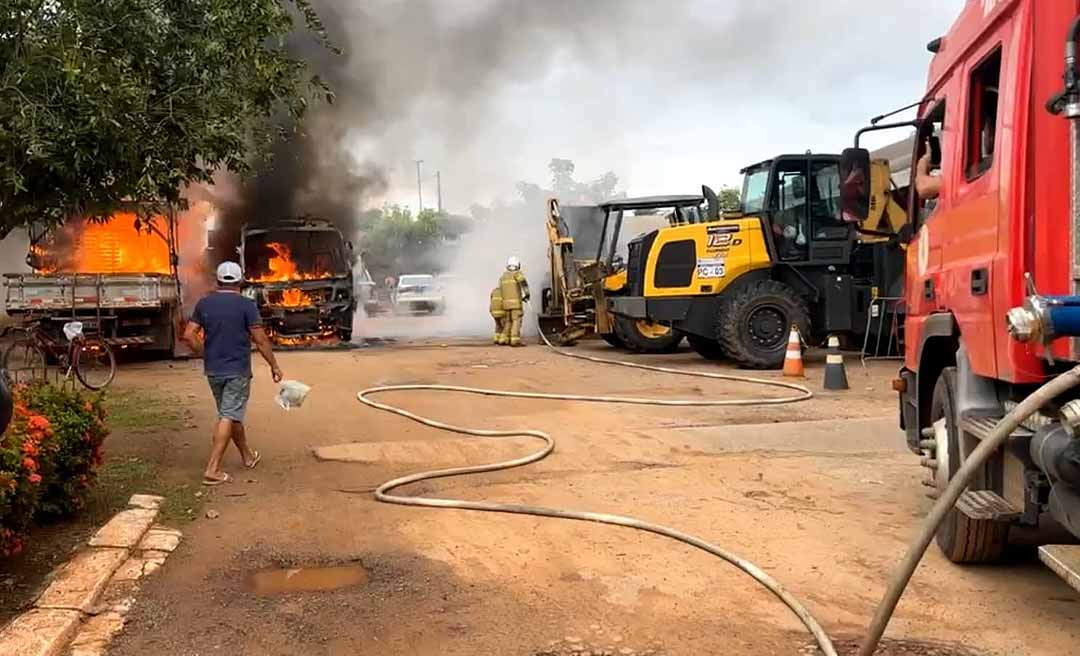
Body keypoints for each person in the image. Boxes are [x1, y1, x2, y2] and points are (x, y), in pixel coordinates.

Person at [184, 261, 283, 485]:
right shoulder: (246, 305)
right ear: (239, 281)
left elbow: (189, 335)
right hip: (237, 370)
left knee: (230, 412)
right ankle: (213, 468)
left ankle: (247, 456)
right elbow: (260, 339)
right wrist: (274, 366)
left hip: (214, 371)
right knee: (228, 415)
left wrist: (205, 354)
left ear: (218, 281)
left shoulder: (205, 304)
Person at [498, 256, 529, 347]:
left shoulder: (503, 277)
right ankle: (515, 341)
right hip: (516, 304)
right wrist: (527, 295)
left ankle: (504, 339)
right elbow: (524, 284)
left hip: (505, 304)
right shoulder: (517, 274)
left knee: (508, 321)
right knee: (516, 321)